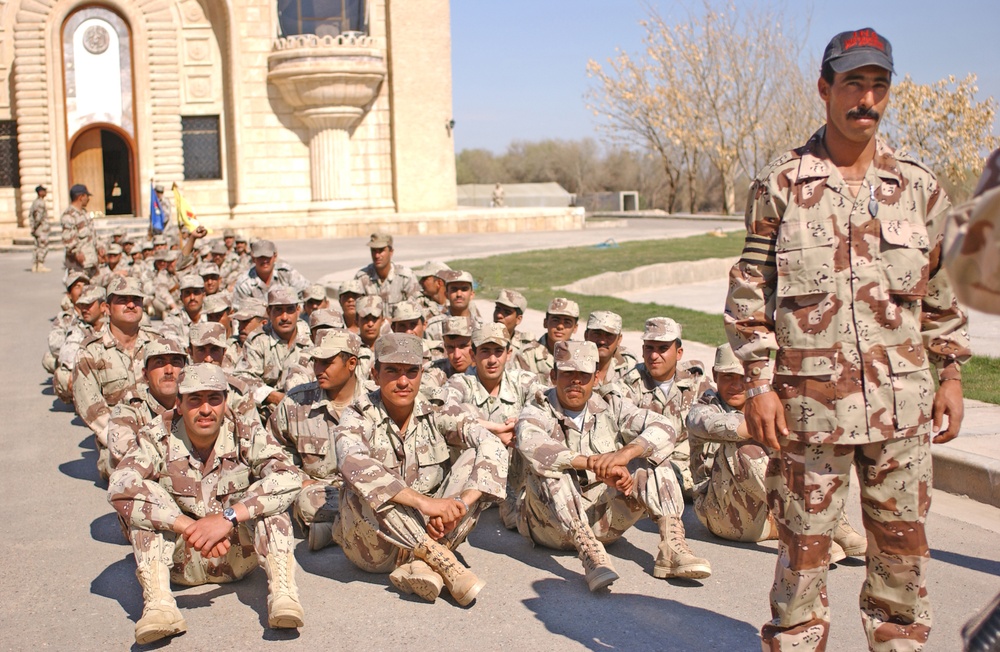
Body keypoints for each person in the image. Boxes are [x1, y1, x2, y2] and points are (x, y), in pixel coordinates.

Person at [724, 28, 970, 651]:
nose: (866, 98)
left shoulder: (919, 188)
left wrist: (951, 375)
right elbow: (751, 293)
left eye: (878, 85)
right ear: (825, 89)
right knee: (803, 569)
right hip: (809, 413)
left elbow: (940, 291)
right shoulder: (781, 186)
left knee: (902, 569)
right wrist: (758, 384)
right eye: (853, 84)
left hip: (903, 414)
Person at [107, 363, 304, 644]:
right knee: (147, 501)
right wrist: (187, 525)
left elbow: (289, 476)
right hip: (178, 558)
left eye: (214, 399)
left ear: (226, 401)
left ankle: (283, 595)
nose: (206, 409)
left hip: (236, 553)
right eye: (195, 400)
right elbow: (119, 484)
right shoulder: (156, 435)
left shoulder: (244, 431)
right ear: (179, 404)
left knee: (269, 498)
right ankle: (159, 606)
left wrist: (227, 518)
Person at [515, 341, 710, 592]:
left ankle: (672, 548)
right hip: (548, 526)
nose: (576, 381)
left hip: (601, 520)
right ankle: (591, 556)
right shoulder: (538, 407)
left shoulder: (611, 404)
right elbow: (530, 442)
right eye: (568, 374)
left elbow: (664, 427)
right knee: (547, 468)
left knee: (654, 457)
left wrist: (625, 455)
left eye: (583, 375)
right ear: (553, 376)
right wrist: (593, 465)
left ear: (595, 378)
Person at [333, 333, 507, 605]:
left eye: (411, 372)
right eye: (392, 371)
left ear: (421, 374)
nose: (403, 381)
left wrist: (458, 504)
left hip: (438, 529)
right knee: (361, 480)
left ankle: (422, 564)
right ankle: (438, 558)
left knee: (476, 455)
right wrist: (426, 504)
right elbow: (351, 461)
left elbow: (488, 441)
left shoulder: (435, 409)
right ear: (375, 374)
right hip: (376, 547)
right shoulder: (358, 414)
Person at [687, 344, 867, 556]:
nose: (736, 385)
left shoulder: (769, 403)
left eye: (743, 378)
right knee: (743, 448)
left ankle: (832, 525)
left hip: (766, 514)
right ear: (715, 375)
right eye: (728, 377)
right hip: (724, 515)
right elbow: (744, 427)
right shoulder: (702, 410)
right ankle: (813, 528)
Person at [433, 323, 545, 530]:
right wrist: (495, 430)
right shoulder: (461, 382)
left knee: (533, 420)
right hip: (472, 479)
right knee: (466, 413)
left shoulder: (523, 380)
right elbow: (443, 414)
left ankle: (516, 499)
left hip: (516, 476)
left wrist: (521, 423)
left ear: (508, 353)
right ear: (473, 354)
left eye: (498, 352)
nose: (492, 360)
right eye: (485, 351)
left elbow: (547, 406)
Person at [269, 330, 370, 551]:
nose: (318, 370)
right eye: (316, 362)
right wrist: (299, 479)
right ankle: (360, 530)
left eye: (327, 363)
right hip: (318, 491)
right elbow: (273, 451)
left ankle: (332, 532)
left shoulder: (374, 402)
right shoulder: (296, 402)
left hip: (365, 489)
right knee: (305, 502)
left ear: (351, 363)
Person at [611, 318, 711, 498]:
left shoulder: (697, 381)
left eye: (663, 349)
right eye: (649, 348)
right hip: (651, 469)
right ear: (642, 350)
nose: (654, 356)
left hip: (693, 466)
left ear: (679, 353)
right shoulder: (628, 384)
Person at [73, 276, 160, 480]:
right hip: (118, 437)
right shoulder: (90, 351)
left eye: (136, 300)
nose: (131, 305)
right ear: (107, 308)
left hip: (161, 433)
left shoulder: (158, 343)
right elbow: (91, 408)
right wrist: (126, 441)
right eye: (122, 300)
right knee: (129, 475)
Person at [106, 337, 186, 471]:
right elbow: (125, 457)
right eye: (159, 363)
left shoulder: (198, 405)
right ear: (145, 375)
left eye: (175, 362)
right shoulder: (130, 407)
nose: (168, 370)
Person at [234, 285, 312, 409]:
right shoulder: (258, 340)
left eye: (290, 309)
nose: (285, 317)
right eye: (278, 310)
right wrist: (274, 397)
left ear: (298, 310)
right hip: (268, 411)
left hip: (306, 407)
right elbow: (243, 378)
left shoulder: (311, 338)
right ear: (269, 312)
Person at [53, 284, 108, 404]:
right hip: (91, 374)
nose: (84, 309)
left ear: (103, 306)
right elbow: (67, 353)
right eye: (82, 305)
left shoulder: (114, 324)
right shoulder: (79, 325)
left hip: (112, 372)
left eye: (89, 305)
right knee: (63, 375)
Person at [354, 233, 421, 310]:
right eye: (374, 251)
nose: (377, 256)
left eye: (381, 250)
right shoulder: (362, 278)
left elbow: (417, 308)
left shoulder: (405, 277)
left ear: (391, 252)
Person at [519, 297, 580, 378]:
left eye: (567, 322)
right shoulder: (527, 354)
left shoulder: (580, 355)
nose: (560, 326)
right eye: (555, 320)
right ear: (545, 323)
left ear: (575, 328)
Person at [233, 240, 310, 301]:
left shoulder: (286, 273)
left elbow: (308, 292)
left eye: (268, 257)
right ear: (253, 259)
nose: (264, 261)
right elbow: (240, 313)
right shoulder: (244, 284)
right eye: (260, 257)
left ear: (275, 256)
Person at [584, 310, 637, 387]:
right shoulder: (572, 363)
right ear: (586, 336)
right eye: (597, 334)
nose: (602, 341)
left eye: (609, 335)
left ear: (619, 339)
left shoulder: (629, 366)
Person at [61, 184, 98, 275]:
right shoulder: (69, 215)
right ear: (81, 197)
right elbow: (67, 239)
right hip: (78, 266)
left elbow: (91, 234)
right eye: (87, 196)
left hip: (90, 262)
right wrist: (76, 252)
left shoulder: (84, 214)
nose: (88, 199)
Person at [493, 288, 535, 367]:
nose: (499, 315)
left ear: (518, 319)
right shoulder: (480, 339)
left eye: (507, 312)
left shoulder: (527, 347)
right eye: (497, 309)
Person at [29, 185, 51, 273]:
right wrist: (35, 227)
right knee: (42, 247)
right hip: (41, 229)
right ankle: (40, 265)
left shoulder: (35, 202)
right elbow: (38, 217)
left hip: (37, 229)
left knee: (37, 247)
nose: (46, 193)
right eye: (44, 191)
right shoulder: (40, 203)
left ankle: (35, 265)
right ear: (40, 192)